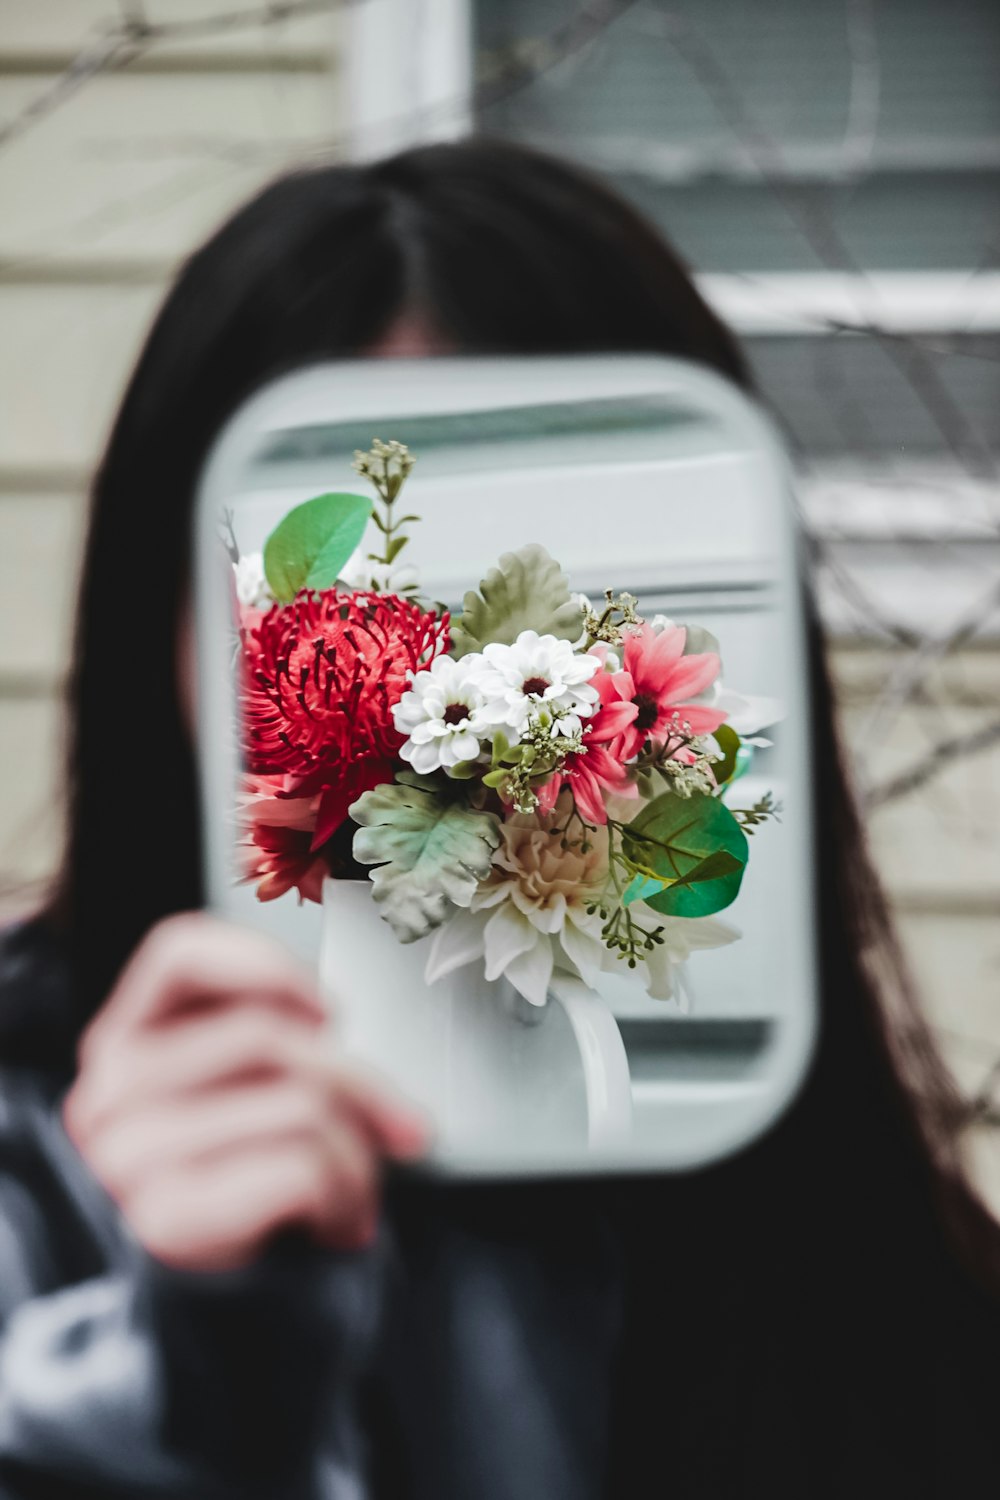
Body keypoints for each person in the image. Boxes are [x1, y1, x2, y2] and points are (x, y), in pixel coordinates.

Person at [0, 139, 996, 1500]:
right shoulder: (30, 1204)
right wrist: (189, 1377)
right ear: (161, 641)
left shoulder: (875, 1290)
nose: (423, 697)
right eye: (331, 601)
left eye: (547, 581)